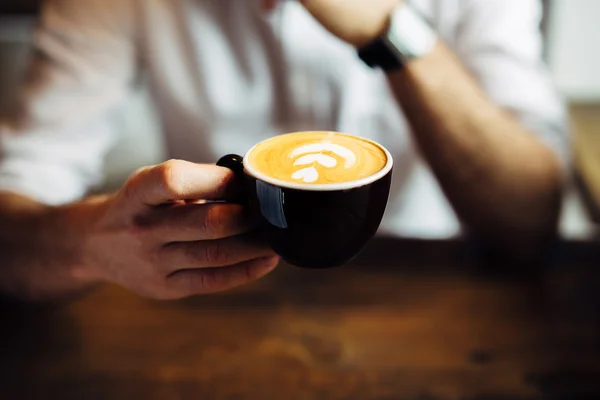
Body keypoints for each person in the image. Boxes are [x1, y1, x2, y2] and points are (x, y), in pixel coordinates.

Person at [0, 0, 570, 301]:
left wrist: (389, 26)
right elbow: (14, 217)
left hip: (441, 298)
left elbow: (529, 220)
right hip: (217, 301)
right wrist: (94, 243)